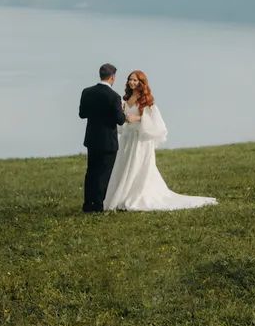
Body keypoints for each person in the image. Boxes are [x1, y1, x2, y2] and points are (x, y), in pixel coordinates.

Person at [104, 70, 217, 212]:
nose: (132, 82)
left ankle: (138, 195)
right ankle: (124, 195)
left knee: (138, 167)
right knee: (125, 165)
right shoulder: (125, 99)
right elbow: (122, 119)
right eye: (130, 80)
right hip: (128, 139)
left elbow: (153, 121)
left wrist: (137, 119)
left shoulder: (146, 100)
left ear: (141, 83)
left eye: (135, 80)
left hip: (140, 140)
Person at [78, 62, 129, 213]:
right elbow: (120, 120)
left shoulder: (86, 92)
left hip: (92, 139)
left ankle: (87, 205)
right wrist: (123, 111)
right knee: (104, 173)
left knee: (91, 172)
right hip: (108, 141)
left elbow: (82, 114)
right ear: (112, 77)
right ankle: (98, 206)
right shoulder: (114, 97)